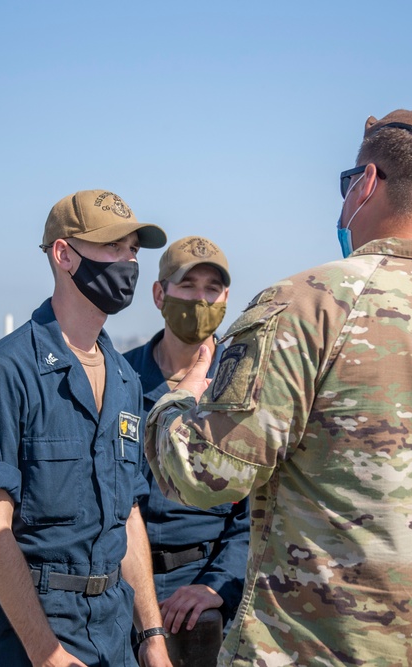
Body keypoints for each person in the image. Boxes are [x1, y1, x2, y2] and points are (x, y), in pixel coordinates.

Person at [143, 110, 412, 665]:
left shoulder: (306, 305)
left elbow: (205, 473)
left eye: (347, 183)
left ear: (367, 183)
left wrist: (177, 402)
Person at [0, 190, 172, 667]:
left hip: (113, 630)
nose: (128, 262)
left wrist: (150, 635)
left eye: (133, 250)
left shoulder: (126, 379)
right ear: (64, 254)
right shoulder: (2, 373)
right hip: (29, 631)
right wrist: (44, 651)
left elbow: (127, 516)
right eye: (113, 248)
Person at [122, 236, 250, 656]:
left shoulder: (243, 388)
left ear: (226, 297)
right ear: (160, 294)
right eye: (187, 285)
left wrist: (215, 585)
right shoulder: (122, 380)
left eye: (211, 289)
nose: (200, 299)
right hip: (123, 584)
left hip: (205, 587)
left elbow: (258, 512)